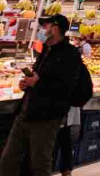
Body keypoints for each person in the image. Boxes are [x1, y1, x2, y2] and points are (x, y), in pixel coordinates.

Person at [0, 14, 83, 176]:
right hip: (25, 112)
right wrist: (27, 84)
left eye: (45, 27)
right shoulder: (46, 51)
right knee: (8, 160)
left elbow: (66, 87)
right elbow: (38, 78)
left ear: (55, 28)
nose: (41, 30)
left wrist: (38, 83)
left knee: (40, 163)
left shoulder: (69, 54)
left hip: (47, 116)